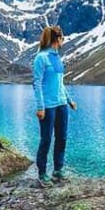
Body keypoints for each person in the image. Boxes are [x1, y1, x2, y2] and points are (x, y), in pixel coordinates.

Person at [32, 25, 77, 186]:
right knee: (46, 139)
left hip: (62, 105)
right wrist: (40, 107)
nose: (64, 40)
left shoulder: (57, 58)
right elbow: (37, 83)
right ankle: (42, 173)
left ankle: (58, 170)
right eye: (62, 37)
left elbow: (60, 83)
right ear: (57, 39)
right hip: (48, 106)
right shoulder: (41, 58)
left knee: (62, 138)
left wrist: (69, 100)